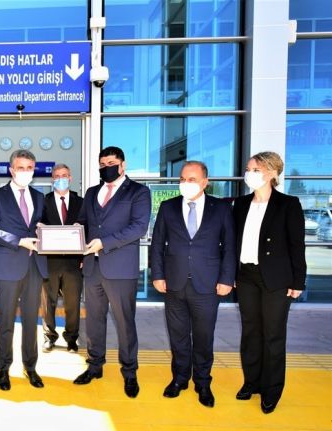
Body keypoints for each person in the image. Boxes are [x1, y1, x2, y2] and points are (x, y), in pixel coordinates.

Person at [150, 161, 236, 407]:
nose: (186, 183)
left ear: (205, 182)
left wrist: (226, 279)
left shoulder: (221, 208)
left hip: (207, 284)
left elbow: (230, 246)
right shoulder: (168, 207)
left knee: (203, 337)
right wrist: (157, 274)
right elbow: (157, 244)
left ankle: (203, 382)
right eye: (182, 179)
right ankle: (179, 379)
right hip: (174, 283)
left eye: (192, 179)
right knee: (177, 336)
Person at [73, 146, 150, 399]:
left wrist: (104, 243)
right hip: (92, 267)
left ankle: (130, 372)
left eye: (111, 163)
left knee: (124, 321)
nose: (106, 167)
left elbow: (138, 228)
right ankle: (95, 366)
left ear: (122, 165)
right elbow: (83, 222)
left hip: (120, 269)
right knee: (94, 320)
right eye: (102, 164)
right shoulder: (91, 192)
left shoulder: (138, 192)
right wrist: (71, 234)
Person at [233, 151, 306, 414]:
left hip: (276, 279)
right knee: (250, 332)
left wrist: (298, 281)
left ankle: (271, 390)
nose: (249, 173)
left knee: (273, 335)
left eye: (255, 169)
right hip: (246, 276)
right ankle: (251, 382)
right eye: (248, 169)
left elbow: (297, 246)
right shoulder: (241, 204)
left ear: (272, 172)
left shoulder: (288, 204)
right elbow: (233, 242)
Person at [0, 149, 49, 391]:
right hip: (8, 266)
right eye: (21, 168)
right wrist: (19, 241)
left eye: (29, 168)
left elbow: (41, 227)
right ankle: (3, 368)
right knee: (6, 320)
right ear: (12, 170)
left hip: (34, 266)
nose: (25, 172)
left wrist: (44, 229)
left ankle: (30, 367)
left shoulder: (39, 197)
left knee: (32, 321)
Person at [40, 163, 83, 353]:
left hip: (74, 262)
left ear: (70, 178)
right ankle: (49, 337)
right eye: (57, 176)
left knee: (72, 303)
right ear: (52, 179)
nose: (60, 179)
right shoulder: (43, 202)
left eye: (64, 175)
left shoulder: (80, 202)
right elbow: (36, 225)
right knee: (47, 302)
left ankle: (72, 338)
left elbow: (88, 227)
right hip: (49, 261)